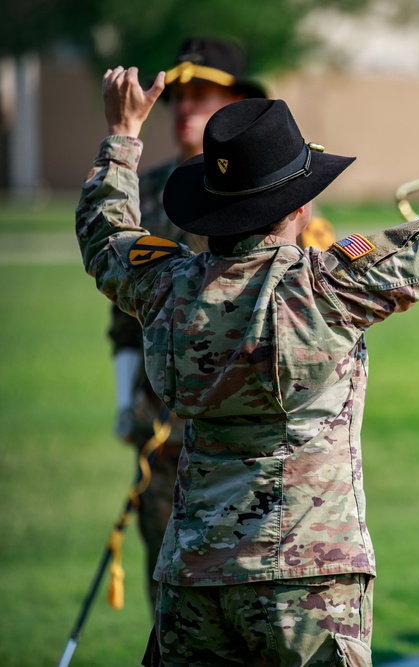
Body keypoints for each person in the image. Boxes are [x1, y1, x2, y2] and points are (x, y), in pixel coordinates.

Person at [77, 22, 419, 665]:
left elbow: (104, 235)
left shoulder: (166, 285)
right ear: (295, 209)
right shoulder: (328, 285)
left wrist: (122, 137)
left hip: (194, 577)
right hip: (308, 578)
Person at [106, 37, 267, 609]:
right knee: (169, 599)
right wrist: (126, 400)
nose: (185, 109)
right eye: (180, 97)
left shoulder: (280, 194)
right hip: (163, 435)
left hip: (246, 440)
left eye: (203, 95)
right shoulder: (145, 191)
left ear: (235, 103)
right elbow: (123, 317)